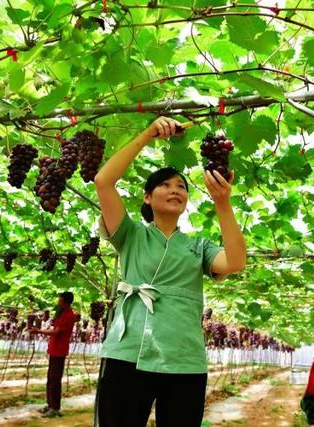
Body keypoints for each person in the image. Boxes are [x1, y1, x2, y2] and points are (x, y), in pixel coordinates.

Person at [94, 116, 247, 426]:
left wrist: (223, 202)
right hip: (127, 352)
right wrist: (148, 134)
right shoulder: (131, 234)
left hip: (183, 359)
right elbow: (103, 181)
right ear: (147, 198)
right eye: (164, 184)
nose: (174, 189)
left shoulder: (198, 246)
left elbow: (235, 262)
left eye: (181, 187)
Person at [29, 291, 77, 417]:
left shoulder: (69, 315)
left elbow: (56, 332)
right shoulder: (61, 313)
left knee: (55, 379)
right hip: (54, 349)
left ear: (65, 302)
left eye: (59, 300)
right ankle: (50, 405)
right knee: (51, 379)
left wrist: (39, 331)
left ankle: (55, 408)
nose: (57, 301)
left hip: (59, 351)